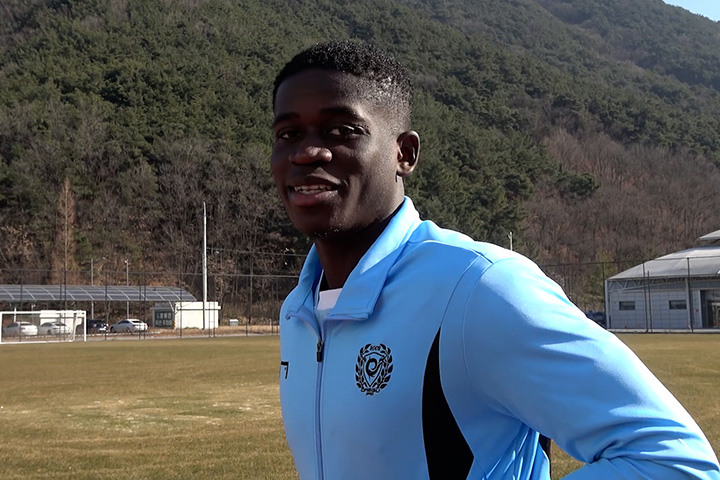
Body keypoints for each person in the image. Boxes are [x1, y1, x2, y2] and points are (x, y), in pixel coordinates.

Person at [270, 40, 720, 480]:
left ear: (404, 154)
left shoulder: (479, 288)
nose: (307, 152)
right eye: (288, 134)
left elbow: (673, 460)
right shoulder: (298, 311)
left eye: (342, 131)